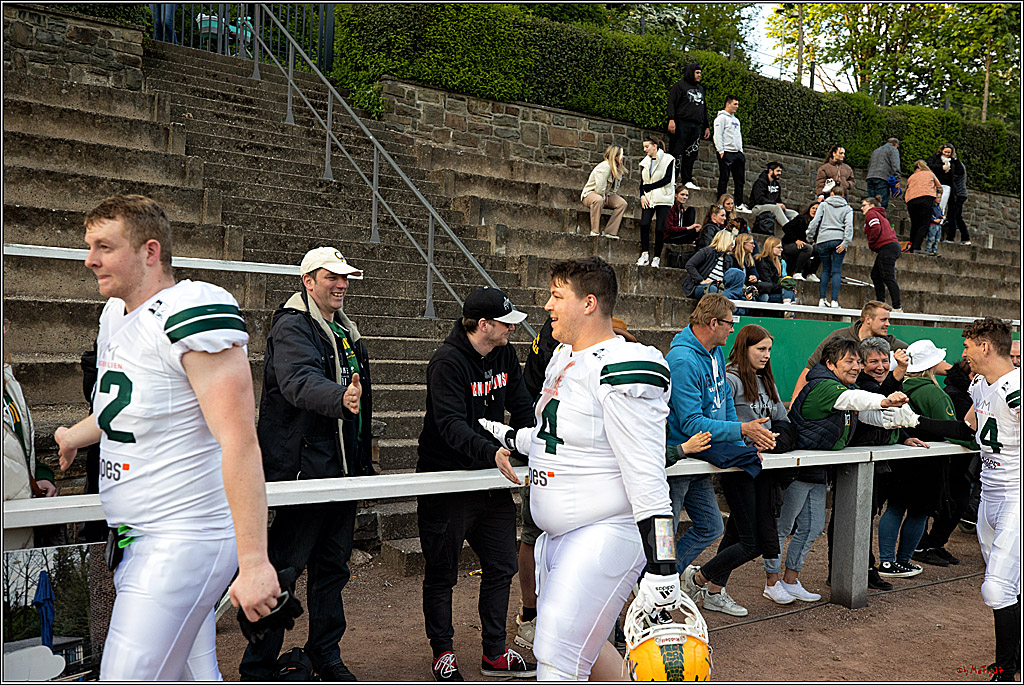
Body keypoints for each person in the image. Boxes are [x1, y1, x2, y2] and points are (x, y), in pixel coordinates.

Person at [53, 194, 279, 680]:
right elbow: (123, 410)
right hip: (140, 537)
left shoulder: (190, 308)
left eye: (105, 246)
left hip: (184, 535)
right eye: (89, 245)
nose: (90, 259)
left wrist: (254, 559)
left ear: (149, 252)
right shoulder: (116, 317)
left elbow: (239, 440)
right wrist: (73, 435)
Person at [480, 257, 682, 681]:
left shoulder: (622, 364)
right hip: (559, 537)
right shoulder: (563, 358)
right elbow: (558, 439)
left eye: (557, 296)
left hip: (605, 530)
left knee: (556, 657)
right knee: (582, 650)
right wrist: (509, 436)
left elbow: (648, 476)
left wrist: (664, 565)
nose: (548, 306)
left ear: (589, 303)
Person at [239, 247, 373, 681]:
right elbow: (298, 382)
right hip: (302, 476)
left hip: (341, 475)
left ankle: (325, 656)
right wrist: (340, 398)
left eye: (345, 277)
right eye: (331, 276)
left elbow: (358, 408)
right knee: (285, 571)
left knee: (333, 570)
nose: (341, 284)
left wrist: (360, 469)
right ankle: (258, 667)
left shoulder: (345, 330)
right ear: (307, 281)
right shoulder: (293, 326)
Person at [417, 287, 535, 681]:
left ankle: (494, 653)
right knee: (442, 572)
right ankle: (442, 652)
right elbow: (450, 425)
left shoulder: (504, 355)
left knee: (501, 565)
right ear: (483, 325)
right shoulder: (446, 362)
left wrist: (533, 441)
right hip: (447, 482)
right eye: (505, 324)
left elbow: (521, 407)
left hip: (491, 480)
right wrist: (492, 452)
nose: (511, 330)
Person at [514, 316, 639, 651]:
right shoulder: (567, 349)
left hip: (584, 476)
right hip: (558, 467)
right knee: (540, 539)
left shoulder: (599, 362)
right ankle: (534, 615)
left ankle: (568, 624)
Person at [667, 295, 779, 618]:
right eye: (731, 324)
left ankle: (665, 582)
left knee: (711, 527)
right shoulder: (684, 360)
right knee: (664, 536)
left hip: (703, 456)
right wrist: (741, 430)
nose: (733, 331)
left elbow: (725, 407)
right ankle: (652, 591)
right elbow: (689, 423)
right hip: (680, 459)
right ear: (713, 324)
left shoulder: (714, 352)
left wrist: (740, 434)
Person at [786, 338, 913, 594]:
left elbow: (868, 414)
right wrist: (885, 402)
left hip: (817, 470)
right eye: (849, 361)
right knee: (781, 529)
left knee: (811, 528)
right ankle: (771, 582)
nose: (856, 366)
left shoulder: (843, 388)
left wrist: (901, 420)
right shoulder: (826, 387)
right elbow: (854, 400)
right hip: (796, 471)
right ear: (830, 364)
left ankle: (789, 581)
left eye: (857, 361)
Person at [721, 325, 814, 606]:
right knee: (751, 540)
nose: (766, 355)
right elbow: (725, 423)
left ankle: (712, 587)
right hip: (739, 468)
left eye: (769, 350)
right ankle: (700, 578)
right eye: (760, 349)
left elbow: (784, 422)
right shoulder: (730, 379)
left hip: (764, 469)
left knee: (736, 534)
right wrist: (750, 439)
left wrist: (772, 441)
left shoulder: (766, 381)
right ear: (744, 348)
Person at [959, 317, 1021, 682]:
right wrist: (911, 422)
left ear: (985, 346)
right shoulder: (983, 385)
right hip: (989, 493)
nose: (963, 353)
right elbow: (969, 426)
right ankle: (1013, 660)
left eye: (968, 345)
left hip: (1016, 493)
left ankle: (1005, 672)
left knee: (996, 587)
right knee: (1010, 585)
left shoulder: (1017, 388)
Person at [903, 340, 977, 569]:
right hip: (937, 461)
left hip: (921, 458)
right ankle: (916, 550)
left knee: (913, 508)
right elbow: (951, 427)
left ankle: (924, 548)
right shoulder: (934, 393)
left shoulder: (908, 387)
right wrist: (976, 441)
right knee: (926, 507)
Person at [790, 300, 910, 403]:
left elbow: (915, 352)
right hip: (837, 398)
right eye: (883, 320)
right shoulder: (839, 336)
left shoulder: (889, 342)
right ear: (868, 319)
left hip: (870, 400)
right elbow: (810, 368)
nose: (888, 324)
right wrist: (794, 403)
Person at [4, 357, 59, 551]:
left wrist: (38, 476)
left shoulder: (7, 380)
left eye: (5, 324)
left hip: (19, 521)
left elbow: (18, 446)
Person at [806, 185, 853, 309]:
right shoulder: (848, 208)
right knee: (836, 270)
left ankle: (822, 299)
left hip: (823, 240)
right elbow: (849, 227)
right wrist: (845, 242)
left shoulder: (824, 205)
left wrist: (810, 237)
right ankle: (834, 301)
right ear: (843, 195)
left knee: (825, 269)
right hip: (838, 240)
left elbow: (815, 222)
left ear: (831, 194)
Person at [667, 62, 710, 190]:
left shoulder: (701, 89)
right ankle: (671, 178)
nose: (699, 75)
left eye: (700, 73)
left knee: (691, 153)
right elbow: (671, 103)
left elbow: (704, 108)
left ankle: (687, 180)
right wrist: (671, 119)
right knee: (676, 152)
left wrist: (706, 126)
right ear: (691, 72)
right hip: (681, 123)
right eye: (697, 73)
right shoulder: (679, 86)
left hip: (696, 126)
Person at [636, 136, 675, 268]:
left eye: (647, 146)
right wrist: (642, 195)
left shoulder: (668, 159)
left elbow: (667, 179)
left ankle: (657, 257)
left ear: (654, 146)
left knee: (660, 228)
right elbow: (642, 182)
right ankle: (645, 254)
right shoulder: (645, 162)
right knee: (644, 223)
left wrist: (649, 187)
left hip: (663, 198)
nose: (644, 149)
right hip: (648, 197)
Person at [860, 195, 902, 311]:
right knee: (876, 275)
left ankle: (897, 307)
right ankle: (880, 303)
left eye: (864, 205)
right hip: (890, 246)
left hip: (887, 247)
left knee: (888, 276)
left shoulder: (871, 213)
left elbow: (876, 228)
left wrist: (872, 243)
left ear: (872, 206)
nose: (861, 208)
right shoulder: (879, 214)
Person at [682, 230, 743, 300]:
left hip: (718, 287)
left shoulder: (729, 259)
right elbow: (689, 265)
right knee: (712, 289)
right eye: (731, 242)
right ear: (725, 241)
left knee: (734, 294)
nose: (733, 245)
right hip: (698, 286)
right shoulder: (707, 252)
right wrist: (700, 280)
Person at [581, 145, 627, 239]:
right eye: (622, 155)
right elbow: (599, 188)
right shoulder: (605, 166)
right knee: (598, 199)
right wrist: (603, 196)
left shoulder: (618, 168)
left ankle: (610, 232)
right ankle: (595, 231)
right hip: (590, 194)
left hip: (604, 195)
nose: (623, 157)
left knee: (622, 203)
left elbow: (615, 188)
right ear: (615, 156)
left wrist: (607, 196)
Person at [713, 95, 748, 211]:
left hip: (737, 153)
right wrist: (721, 151)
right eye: (735, 104)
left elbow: (739, 136)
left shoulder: (736, 120)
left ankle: (739, 203)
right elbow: (717, 135)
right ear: (728, 104)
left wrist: (741, 151)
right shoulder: (721, 119)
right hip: (727, 153)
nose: (737, 107)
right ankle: (720, 203)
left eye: (737, 104)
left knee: (739, 179)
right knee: (724, 178)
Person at [904, 160, 942, 253]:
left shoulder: (911, 177)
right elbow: (940, 187)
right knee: (924, 224)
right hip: (926, 199)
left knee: (915, 224)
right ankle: (917, 247)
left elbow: (906, 188)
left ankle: (911, 246)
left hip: (911, 201)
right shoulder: (930, 174)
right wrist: (937, 194)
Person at [749, 162, 798, 229]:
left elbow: (778, 200)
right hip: (757, 207)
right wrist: (776, 204)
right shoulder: (760, 182)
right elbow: (759, 199)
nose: (779, 173)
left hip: (773, 208)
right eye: (777, 171)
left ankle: (797, 232)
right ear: (770, 171)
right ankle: (788, 230)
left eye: (780, 171)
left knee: (794, 214)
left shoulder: (777, 185)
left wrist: (781, 205)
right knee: (776, 208)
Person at [781, 201, 820, 282]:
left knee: (820, 248)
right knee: (807, 248)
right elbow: (786, 228)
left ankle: (810, 273)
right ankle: (796, 272)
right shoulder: (801, 219)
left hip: (804, 245)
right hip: (789, 244)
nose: (815, 210)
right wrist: (796, 240)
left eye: (817, 209)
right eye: (813, 208)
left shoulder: (819, 223)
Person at [754, 237, 795, 307]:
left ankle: (788, 308)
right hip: (763, 292)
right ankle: (788, 310)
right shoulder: (761, 261)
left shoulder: (777, 262)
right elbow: (767, 282)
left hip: (772, 290)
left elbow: (776, 280)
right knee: (787, 289)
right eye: (779, 247)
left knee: (789, 290)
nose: (781, 249)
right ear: (771, 247)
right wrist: (783, 286)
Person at [942, 148, 971, 246]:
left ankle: (951, 237)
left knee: (952, 216)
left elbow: (954, 177)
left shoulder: (957, 166)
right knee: (957, 217)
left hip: (958, 195)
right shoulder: (958, 165)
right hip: (959, 194)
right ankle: (965, 238)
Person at [866, 138, 902, 209]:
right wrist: (897, 179)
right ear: (895, 145)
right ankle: (879, 219)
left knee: (871, 203)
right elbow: (895, 165)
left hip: (870, 177)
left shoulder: (876, 150)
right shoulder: (893, 150)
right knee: (881, 204)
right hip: (882, 178)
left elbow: (869, 165)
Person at [926, 143, 957, 216]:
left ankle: (939, 220)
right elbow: (929, 165)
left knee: (942, 204)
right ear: (942, 150)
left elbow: (958, 172)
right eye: (945, 152)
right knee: (933, 202)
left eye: (948, 152)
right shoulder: (935, 157)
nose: (946, 154)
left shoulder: (953, 161)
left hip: (946, 185)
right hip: (935, 183)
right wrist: (941, 167)